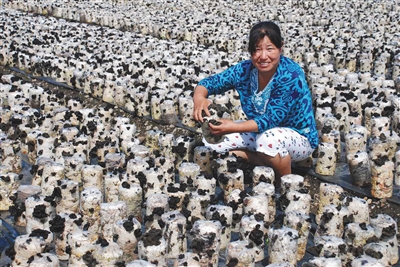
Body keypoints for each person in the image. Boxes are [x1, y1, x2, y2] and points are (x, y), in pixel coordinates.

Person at [193, 21, 318, 184]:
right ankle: (260, 159)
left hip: (299, 136)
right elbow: (211, 82)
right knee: (211, 143)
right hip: (260, 132)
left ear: (281, 48)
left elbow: (270, 120)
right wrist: (199, 98)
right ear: (250, 51)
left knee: (267, 142)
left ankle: (287, 183)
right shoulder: (245, 70)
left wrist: (232, 126)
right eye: (257, 49)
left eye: (270, 48)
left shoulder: (291, 75)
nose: (263, 56)